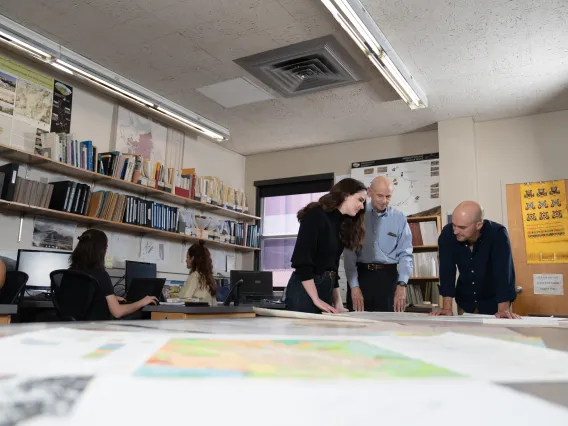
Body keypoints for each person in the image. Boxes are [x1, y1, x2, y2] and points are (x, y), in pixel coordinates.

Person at [285, 178, 367, 314]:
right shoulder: (316, 215)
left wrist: (338, 303)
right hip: (305, 290)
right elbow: (302, 262)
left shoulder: (342, 223)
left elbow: (332, 268)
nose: (362, 206)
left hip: (325, 289)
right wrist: (316, 299)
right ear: (346, 195)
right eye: (360, 200)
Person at [430, 201, 520, 319]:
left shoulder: (497, 234)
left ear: (478, 225)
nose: (455, 231)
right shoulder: (447, 235)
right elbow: (447, 271)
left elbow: (503, 273)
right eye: (453, 225)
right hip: (465, 301)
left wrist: (503, 309)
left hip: (494, 301)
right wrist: (447, 308)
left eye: (462, 227)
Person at [344, 176, 413, 312]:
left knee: (389, 326)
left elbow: (406, 254)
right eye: (380, 196)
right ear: (369, 192)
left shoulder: (399, 218)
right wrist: (354, 286)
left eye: (388, 197)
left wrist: (402, 284)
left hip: (389, 279)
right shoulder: (356, 216)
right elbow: (349, 254)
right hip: (361, 277)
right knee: (358, 327)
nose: (384, 201)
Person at [69, 229, 158, 320]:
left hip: (72, 330)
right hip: (95, 330)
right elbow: (117, 312)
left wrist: (109, 298)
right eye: (106, 247)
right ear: (101, 250)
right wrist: (142, 302)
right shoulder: (101, 275)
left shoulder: (68, 273)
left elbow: (83, 296)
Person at [178, 240, 218, 306]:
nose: (186, 260)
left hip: (194, 315)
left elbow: (182, 300)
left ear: (193, 258)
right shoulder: (209, 278)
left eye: (187, 257)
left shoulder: (195, 276)